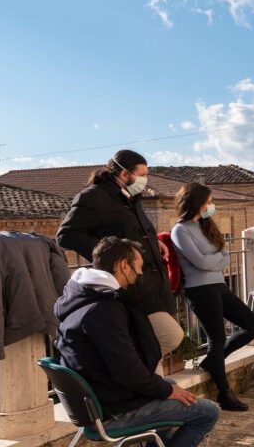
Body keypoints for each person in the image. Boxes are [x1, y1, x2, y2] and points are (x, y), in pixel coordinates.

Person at [54, 237, 219, 447]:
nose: (141, 274)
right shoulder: (103, 310)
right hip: (112, 411)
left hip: (101, 401)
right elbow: (128, 372)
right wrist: (167, 391)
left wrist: (164, 388)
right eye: (138, 267)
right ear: (123, 266)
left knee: (166, 389)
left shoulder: (80, 298)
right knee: (206, 412)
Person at [57, 150, 183, 372]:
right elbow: (67, 235)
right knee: (163, 339)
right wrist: (110, 255)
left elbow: (133, 231)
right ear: (125, 173)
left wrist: (155, 242)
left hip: (155, 286)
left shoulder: (130, 198)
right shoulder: (93, 197)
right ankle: (135, 378)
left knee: (156, 347)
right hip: (132, 286)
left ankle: (150, 390)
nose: (146, 180)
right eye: (142, 174)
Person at [170, 183, 254, 411]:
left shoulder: (207, 225)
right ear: (197, 203)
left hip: (219, 285)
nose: (211, 206)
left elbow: (226, 256)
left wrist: (213, 261)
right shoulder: (180, 230)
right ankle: (224, 393)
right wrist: (215, 260)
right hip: (199, 289)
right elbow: (200, 262)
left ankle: (212, 360)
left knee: (253, 325)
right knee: (216, 338)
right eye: (209, 201)